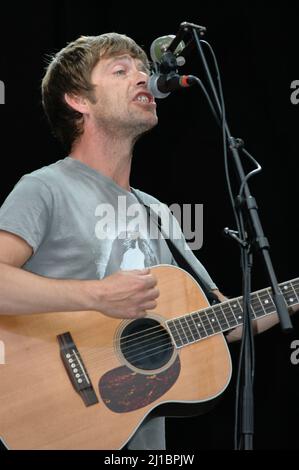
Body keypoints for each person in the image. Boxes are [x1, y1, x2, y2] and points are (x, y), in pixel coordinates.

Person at [0, 33, 296, 450]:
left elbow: (220, 321)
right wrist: (98, 295)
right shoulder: (44, 188)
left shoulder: (157, 211)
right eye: (121, 71)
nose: (142, 77)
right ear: (78, 101)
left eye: (142, 68)